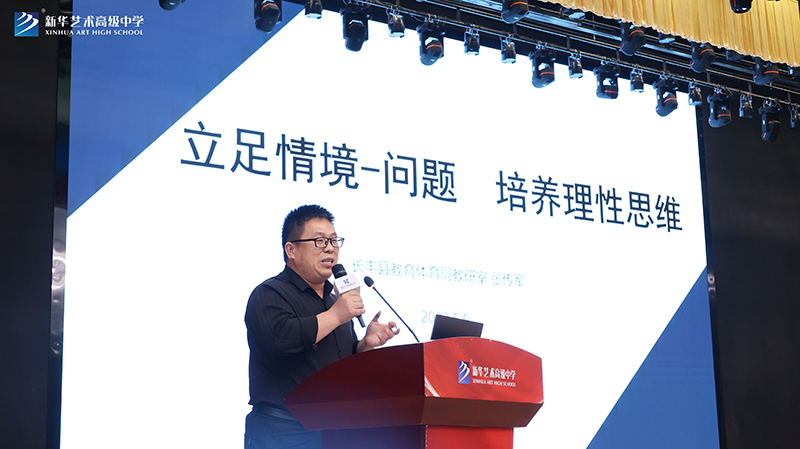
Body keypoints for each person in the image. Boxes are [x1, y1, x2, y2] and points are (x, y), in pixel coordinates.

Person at [244, 205, 400, 449]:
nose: (330, 248)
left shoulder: (334, 300)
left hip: (333, 430)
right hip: (282, 431)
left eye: (334, 241)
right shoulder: (269, 294)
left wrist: (364, 345)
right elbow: (281, 339)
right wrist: (336, 315)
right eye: (319, 241)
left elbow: (338, 364)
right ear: (291, 249)